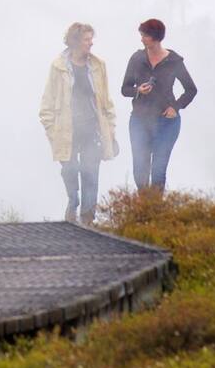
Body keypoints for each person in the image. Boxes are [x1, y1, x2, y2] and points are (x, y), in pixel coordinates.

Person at [40, 23, 118, 224]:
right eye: (86, 39)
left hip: (92, 129)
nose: (91, 43)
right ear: (75, 41)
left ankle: (87, 219)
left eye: (91, 39)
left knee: (91, 173)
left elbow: (105, 101)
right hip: (68, 131)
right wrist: (53, 132)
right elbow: (46, 105)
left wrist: (110, 130)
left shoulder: (98, 66)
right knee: (70, 170)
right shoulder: (58, 67)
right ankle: (72, 203)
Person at [121, 19, 197, 193]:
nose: (141, 39)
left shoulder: (174, 61)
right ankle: (144, 210)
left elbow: (191, 90)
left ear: (155, 38)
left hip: (166, 122)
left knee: (157, 171)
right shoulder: (137, 58)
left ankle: (155, 212)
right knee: (140, 170)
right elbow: (125, 89)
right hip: (140, 120)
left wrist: (175, 107)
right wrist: (138, 90)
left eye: (145, 36)